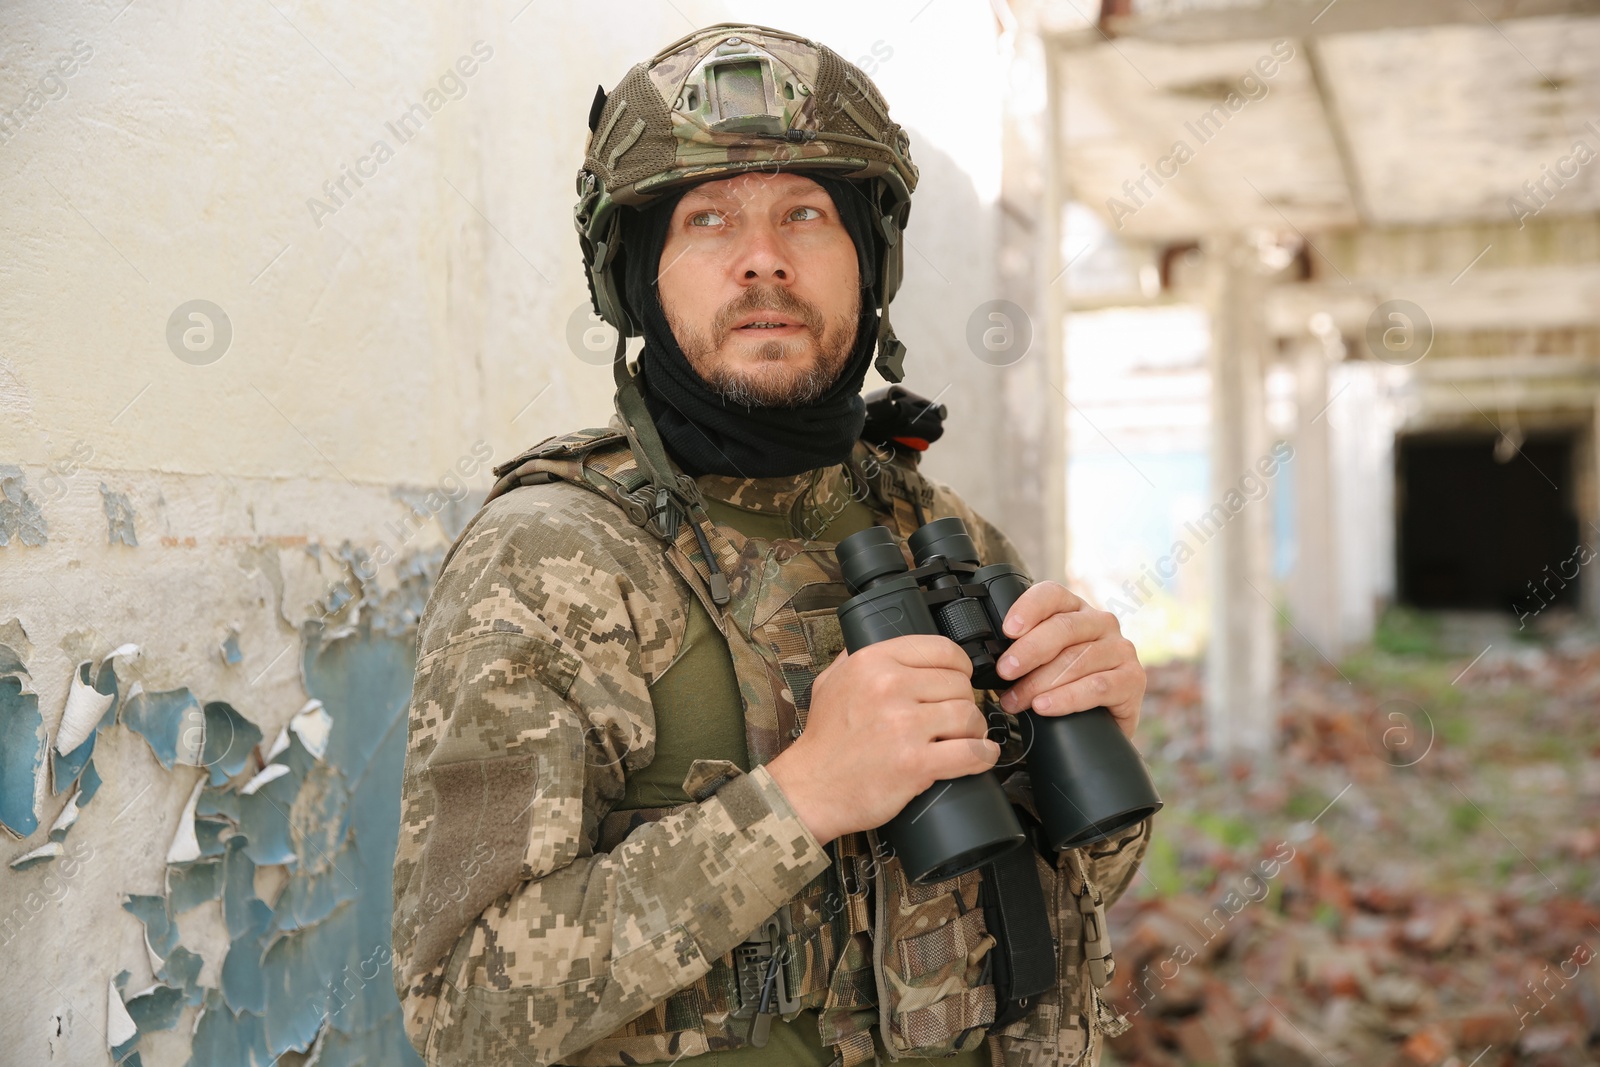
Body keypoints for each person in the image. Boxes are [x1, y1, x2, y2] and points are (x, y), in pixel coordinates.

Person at [392, 23, 1151, 1067]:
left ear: (868, 261)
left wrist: (1095, 740)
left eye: (806, 212)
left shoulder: (944, 533)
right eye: (708, 220)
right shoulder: (553, 558)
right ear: (638, 276)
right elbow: (463, 1004)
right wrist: (801, 796)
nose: (764, 257)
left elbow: (1063, 894)